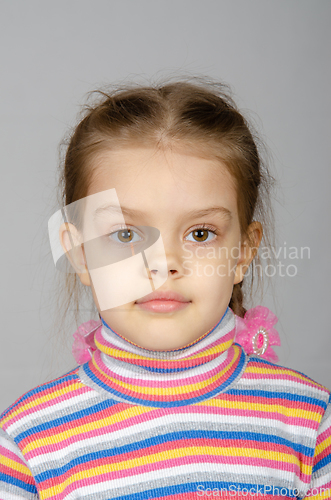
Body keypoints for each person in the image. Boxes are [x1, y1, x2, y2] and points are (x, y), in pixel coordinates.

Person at [0, 81, 330, 500]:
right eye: (125, 235)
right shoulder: (26, 445)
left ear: (243, 252)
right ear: (81, 255)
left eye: (200, 232)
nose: (163, 262)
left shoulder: (310, 423)